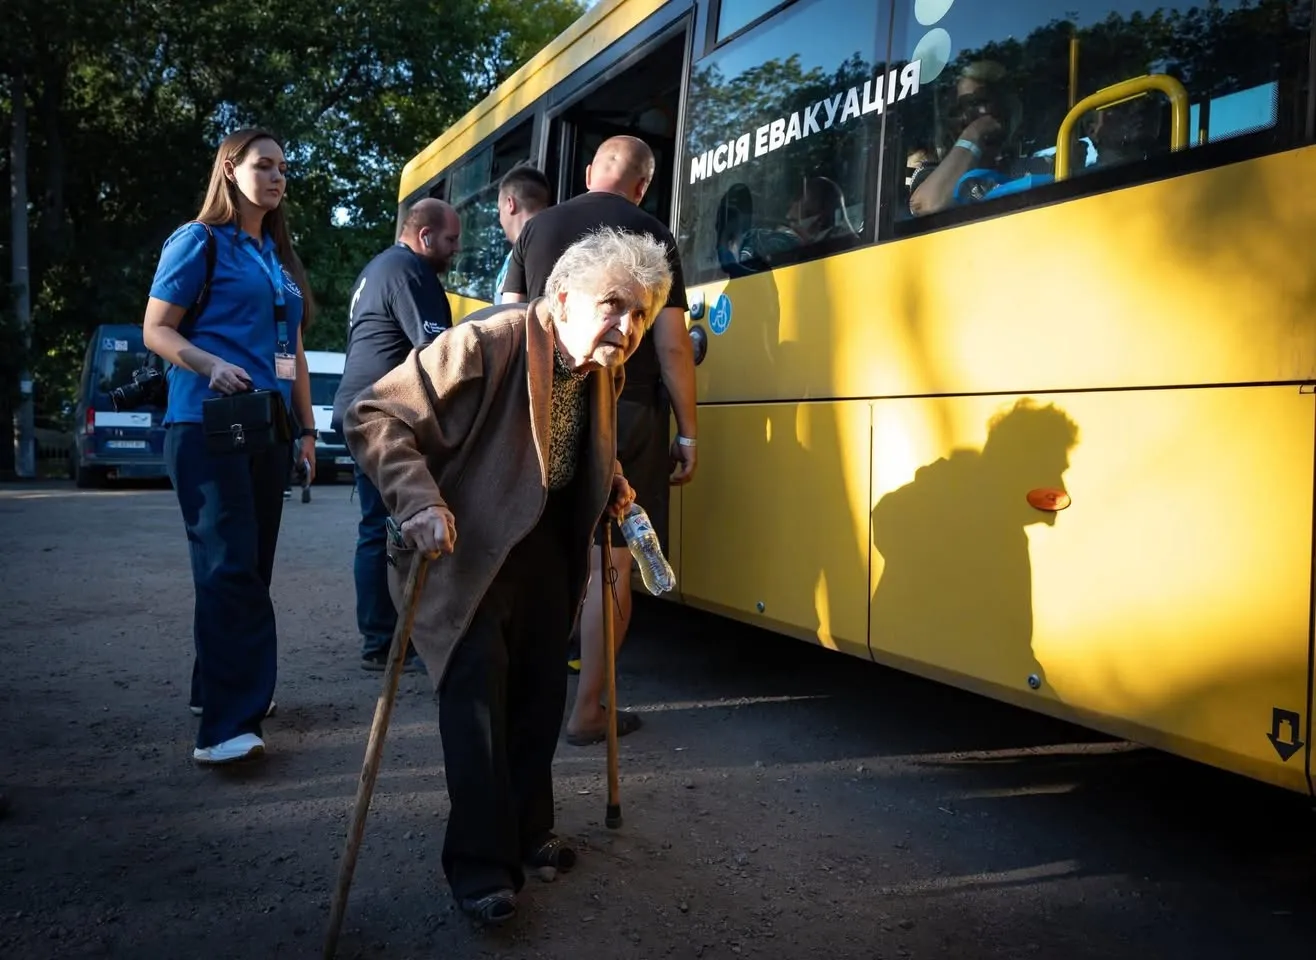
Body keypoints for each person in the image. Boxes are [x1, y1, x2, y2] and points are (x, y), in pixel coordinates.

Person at [343, 226, 672, 926]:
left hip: (547, 547)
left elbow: (558, 445)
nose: (628, 324)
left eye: (641, 313)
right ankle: (481, 869)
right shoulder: (490, 340)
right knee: (479, 708)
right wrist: (419, 500)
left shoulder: (600, 367)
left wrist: (607, 479)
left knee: (536, 696)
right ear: (561, 296)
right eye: (614, 304)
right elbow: (373, 415)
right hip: (463, 550)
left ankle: (529, 832)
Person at [501, 135, 697, 747]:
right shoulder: (652, 233)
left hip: (548, 399)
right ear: (643, 185)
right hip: (626, 406)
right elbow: (669, 342)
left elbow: (508, 315)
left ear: (589, 173)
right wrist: (689, 430)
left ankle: (522, 696)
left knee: (544, 546)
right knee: (613, 555)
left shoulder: (537, 228)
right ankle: (588, 710)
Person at [143, 128, 317, 765]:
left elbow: (291, 352)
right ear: (230, 169)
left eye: (282, 167)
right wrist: (208, 363)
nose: (276, 177)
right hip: (205, 421)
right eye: (263, 165)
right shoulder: (199, 241)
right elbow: (155, 330)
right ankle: (225, 728)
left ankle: (214, 686)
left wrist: (305, 430)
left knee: (250, 564)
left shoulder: (274, 256)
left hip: (267, 425)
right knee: (229, 566)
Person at [332, 198, 461, 672]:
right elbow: (439, 354)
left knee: (377, 528)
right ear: (425, 236)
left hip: (361, 408)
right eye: (450, 240)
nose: (455, 252)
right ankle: (386, 643)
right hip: (386, 413)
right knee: (389, 529)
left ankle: (381, 638)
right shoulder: (411, 270)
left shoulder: (379, 267)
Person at [492, 164, 551, 303]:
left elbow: (508, 317)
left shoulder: (517, 256)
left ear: (510, 204)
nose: (500, 219)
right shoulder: (563, 246)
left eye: (499, 210)